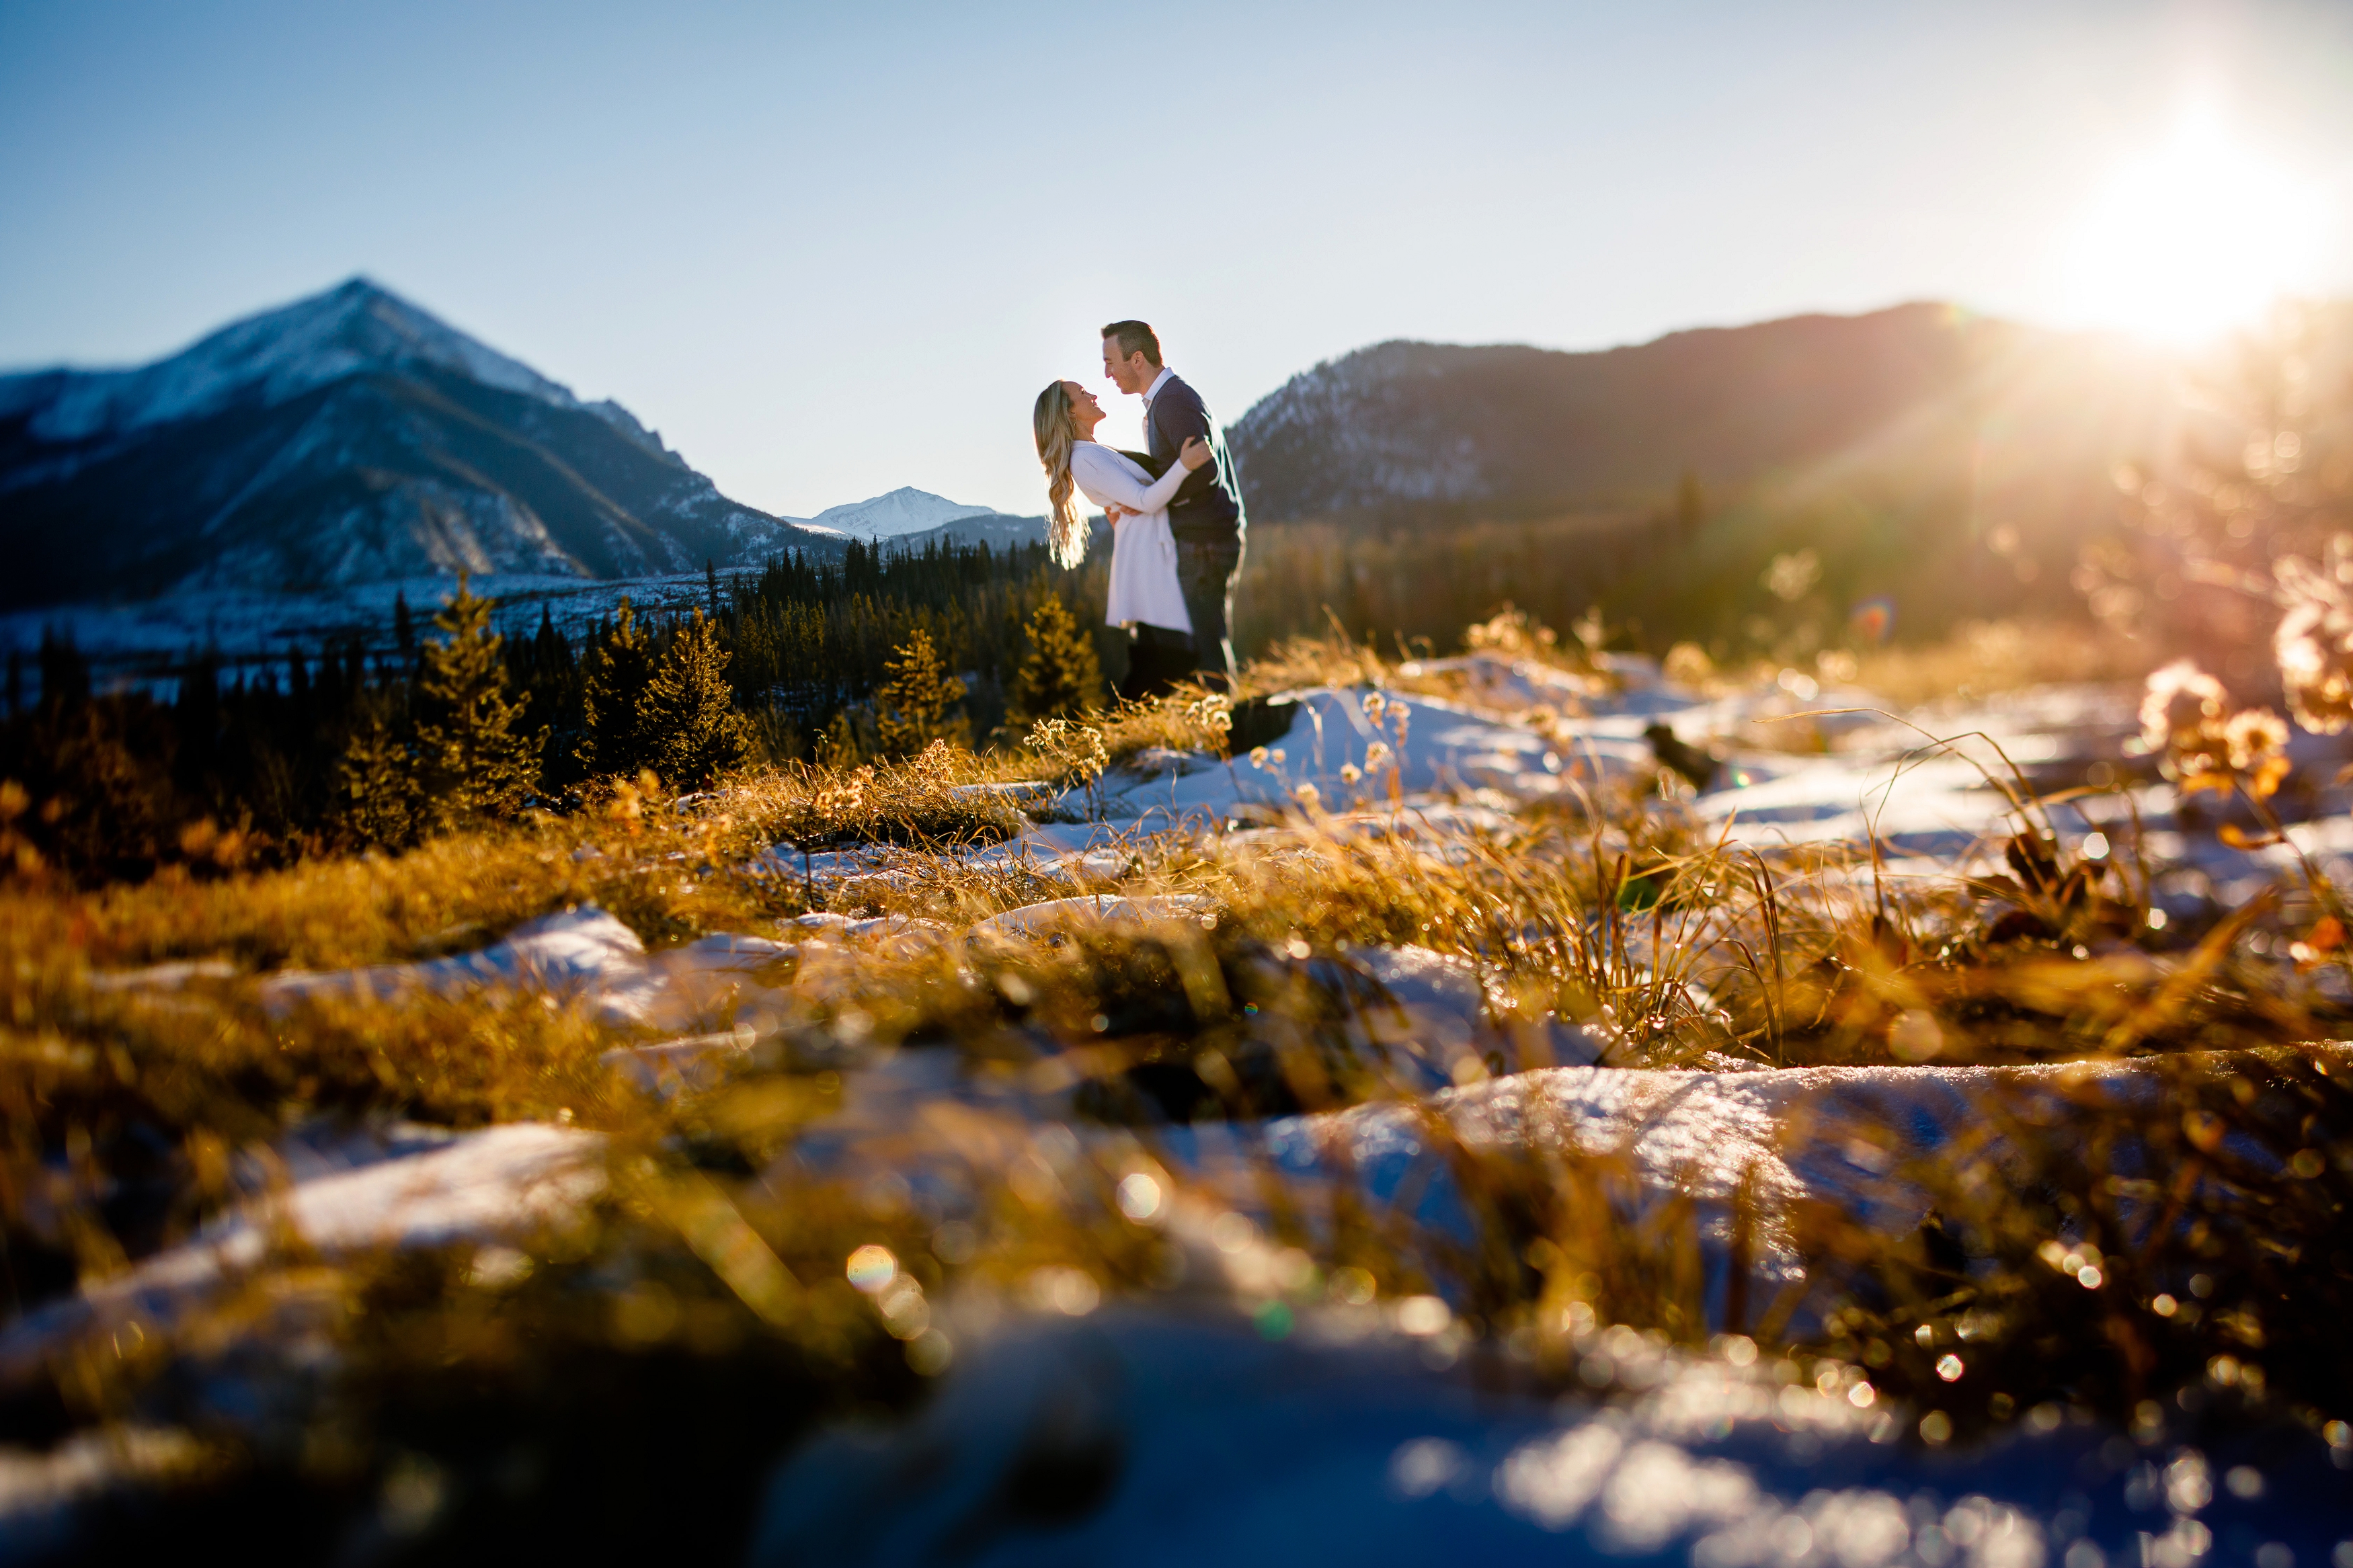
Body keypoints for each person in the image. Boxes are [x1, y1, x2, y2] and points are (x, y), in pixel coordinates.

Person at [1031, 378, 1213, 698]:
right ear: (1070, 414)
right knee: (1170, 656)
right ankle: (1132, 730)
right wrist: (1184, 466)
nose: (1094, 394)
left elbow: (1135, 497)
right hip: (1147, 559)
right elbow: (1145, 501)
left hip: (1148, 553)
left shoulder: (1092, 452)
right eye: (1083, 393)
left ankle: (1136, 729)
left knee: (1161, 655)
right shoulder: (1085, 458)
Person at [1100, 321, 1246, 690]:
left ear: (1137, 359)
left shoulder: (1174, 402)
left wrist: (1149, 505)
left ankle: (1224, 734)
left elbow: (1203, 471)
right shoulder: (1165, 401)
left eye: (1111, 362)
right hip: (1202, 539)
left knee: (1206, 641)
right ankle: (1216, 724)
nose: (1107, 373)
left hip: (1205, 542)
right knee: (1201, 639)